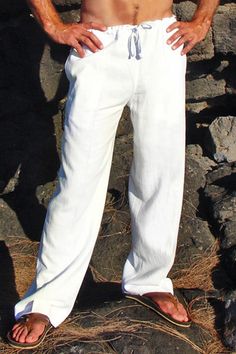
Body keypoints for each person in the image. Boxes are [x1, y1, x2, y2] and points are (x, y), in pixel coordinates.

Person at [7, 0, 219, 349]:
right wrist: (53, 25)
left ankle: (149, 279)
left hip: (162, 43)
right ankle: (44, 302)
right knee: (78, 183)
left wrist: (203, 19)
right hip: (100, 45)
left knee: (161, 171)